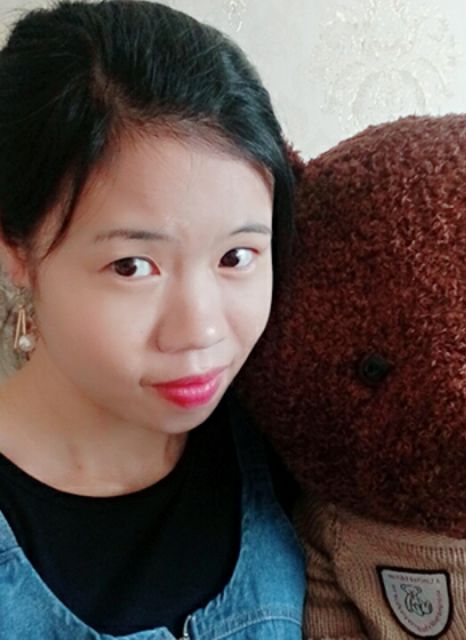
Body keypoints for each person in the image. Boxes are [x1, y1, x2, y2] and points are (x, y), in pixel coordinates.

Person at [0, 1, 304, 638]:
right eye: (133, 266)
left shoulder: (294, 449)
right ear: (15, 252)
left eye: (236, 257)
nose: (201, 330)